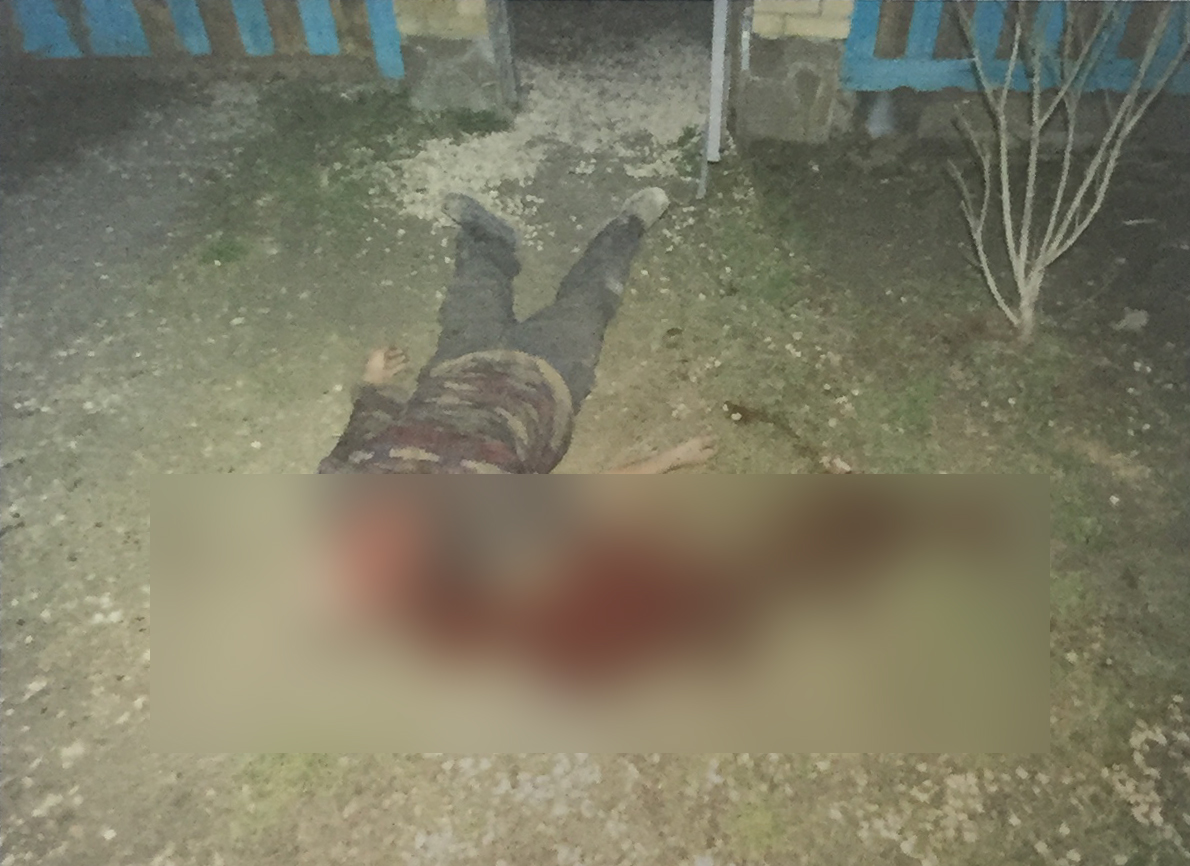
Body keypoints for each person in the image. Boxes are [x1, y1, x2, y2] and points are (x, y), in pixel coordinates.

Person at [317, 188, 715, 475]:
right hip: (542, 384)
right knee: (589, 300)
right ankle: (628, 226)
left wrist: (372, 384)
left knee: (474, 286)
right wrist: (669, 461)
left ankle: (491, 237)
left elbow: (358, 439)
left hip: (457, 370)